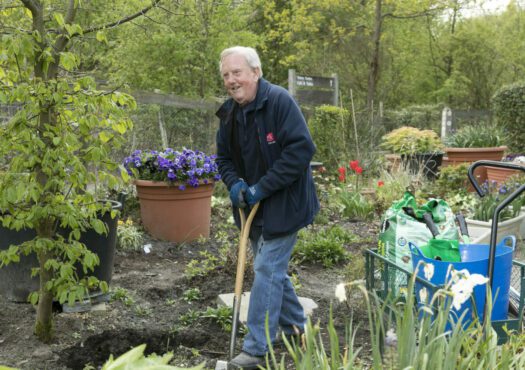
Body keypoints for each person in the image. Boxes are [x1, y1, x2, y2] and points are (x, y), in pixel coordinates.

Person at [215, 46, 319, 369]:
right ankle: (298, 326)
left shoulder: (279, 102)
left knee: (265, 269)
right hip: (253, 209)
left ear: (256, 72)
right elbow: (224, 159)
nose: (231, 80)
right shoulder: (229, 114)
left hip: (286, 205)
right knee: (271, 270)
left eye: (237, 72)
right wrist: (234, 185)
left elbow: (301, 151)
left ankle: (257, 349)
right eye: (226, 75)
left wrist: (261, 187)